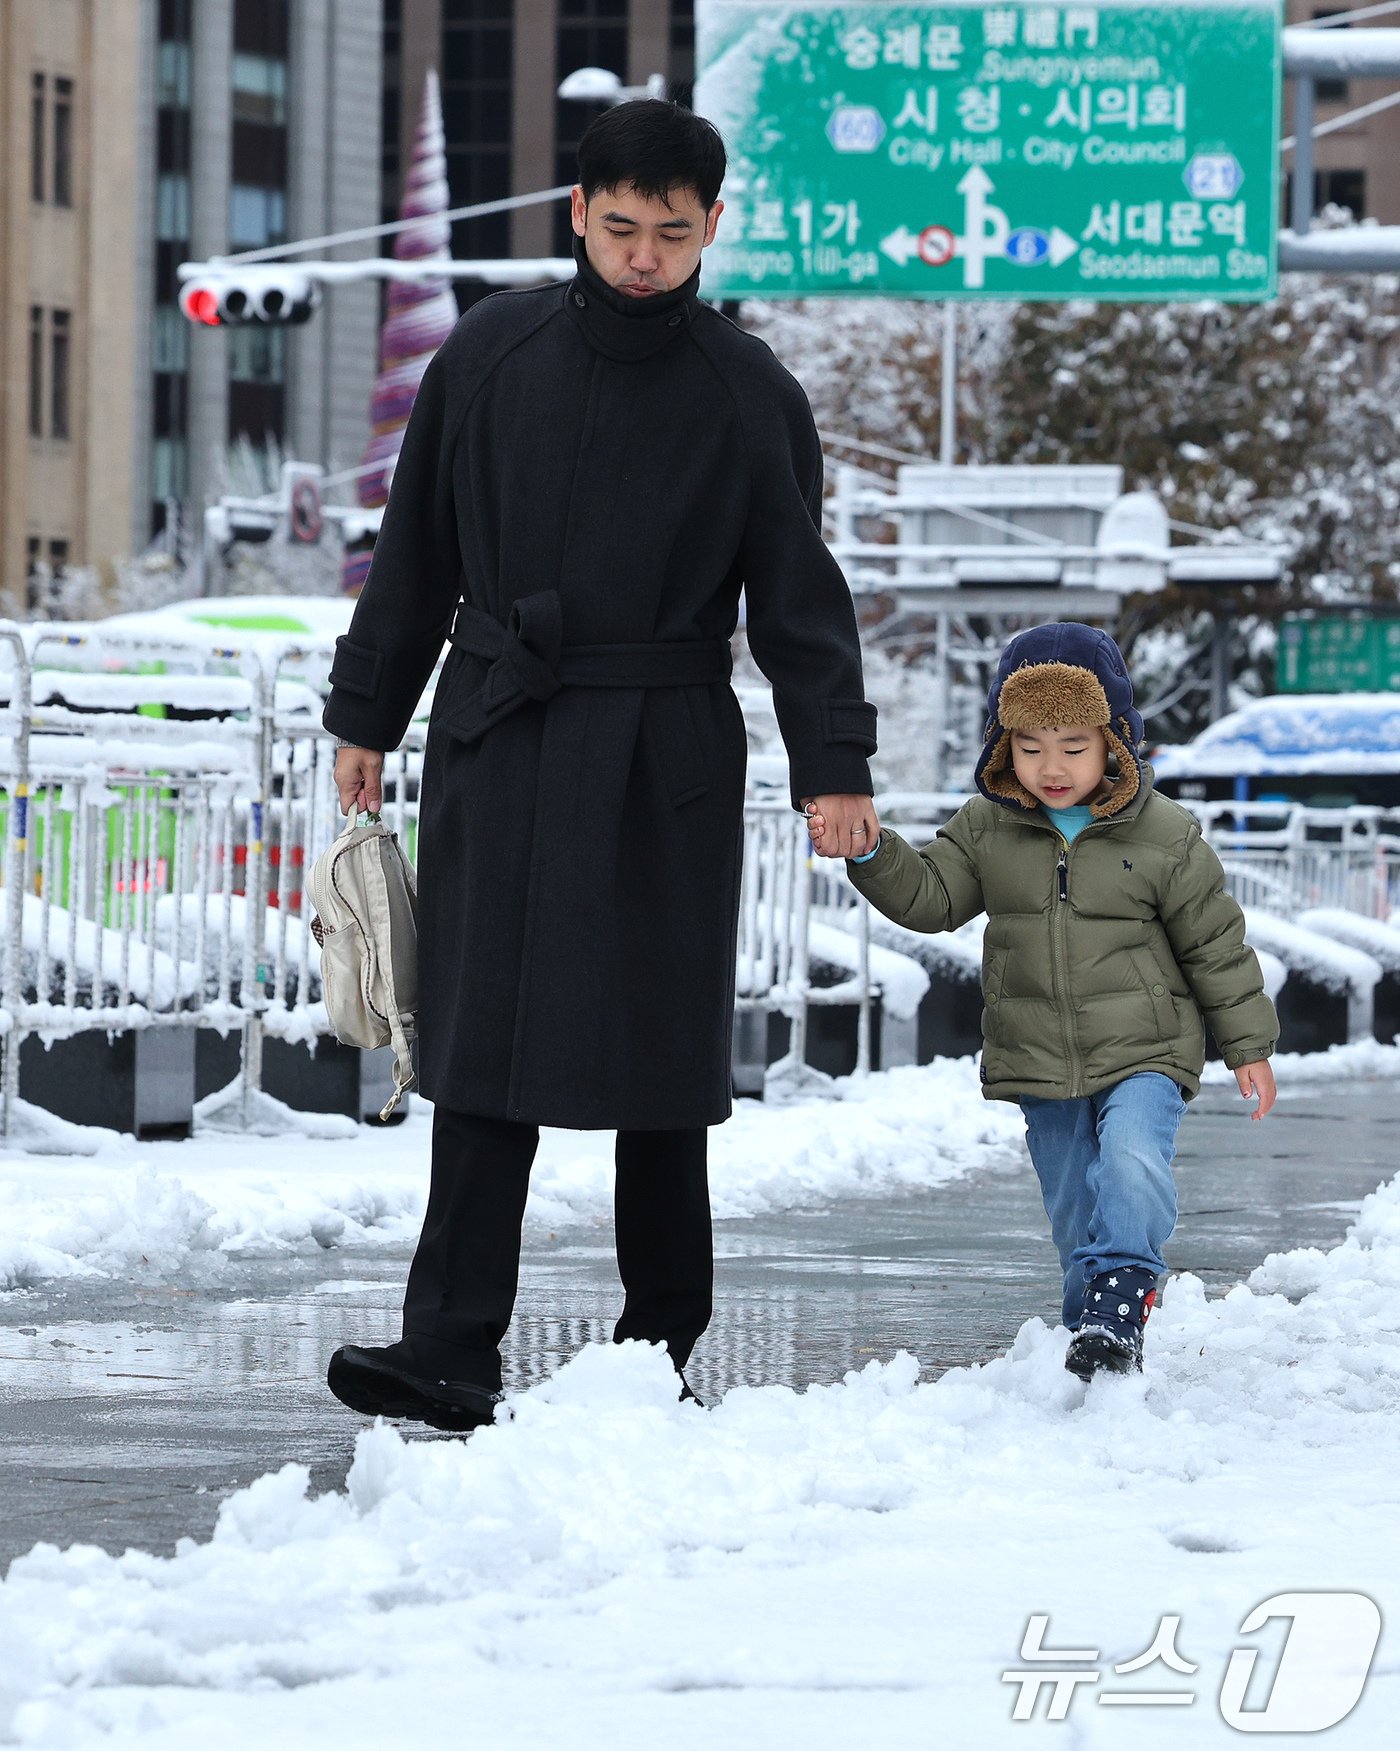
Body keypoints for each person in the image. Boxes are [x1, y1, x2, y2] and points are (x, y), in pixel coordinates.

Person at [321, 100, 880, 1429]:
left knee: (660, 1067)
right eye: (618, 227)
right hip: (501, 734)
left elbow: (801, 599)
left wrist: (834, 763)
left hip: (663, 749)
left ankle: (657, 1354)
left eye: (670, 234)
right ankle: (445, 1347)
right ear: (577, 214)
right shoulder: (490, 351)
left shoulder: (750, 394)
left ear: (711, 230)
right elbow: (415, 555)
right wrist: (367, 712)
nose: (642, 256)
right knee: (477, 1049)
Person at [808, 622, 1277, 1380]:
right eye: (1029, 747)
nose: (1050, 768)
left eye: (1072, 746)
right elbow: (931, 896)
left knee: (1131, 1159)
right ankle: (1094, 1326)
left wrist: (1248, 1044)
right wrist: (869, 849)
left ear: (1115, 740)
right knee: (1071, 1202)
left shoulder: (1163, 832)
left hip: (1147, 1048)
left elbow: (1214, 942)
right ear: (1003, 745)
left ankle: (1124, 1289)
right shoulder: (987, 827)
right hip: (1041, 1056)